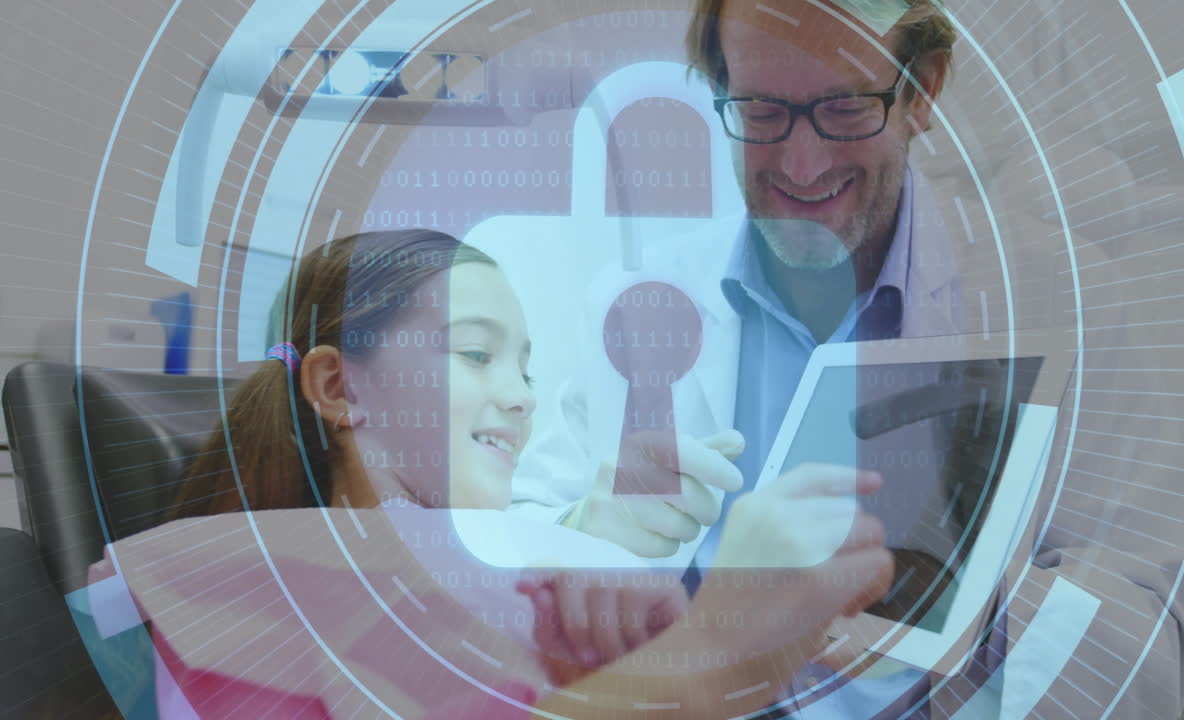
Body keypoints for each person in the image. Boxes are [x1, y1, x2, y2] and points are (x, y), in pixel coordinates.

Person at [511, 1, 1184, 717]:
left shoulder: (1068, 302)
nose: (802, 164)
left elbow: (1145, 633)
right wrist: (580, 538)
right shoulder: (637, 302)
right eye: (760, 109)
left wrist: (961, 611)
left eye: (845, 108)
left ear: (923, 90)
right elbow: (517, 549)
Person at [90, 228, 893, 718]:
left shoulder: (473, 575)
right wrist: (723, 647)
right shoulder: (279, 582)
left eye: (528, 371)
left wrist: (587, 537)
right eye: (476, 354)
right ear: (339, 387)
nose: (521, 399)